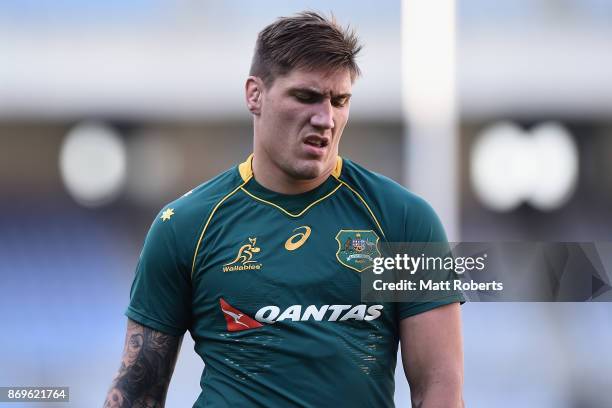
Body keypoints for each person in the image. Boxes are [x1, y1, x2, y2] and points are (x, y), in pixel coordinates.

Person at [104, 11, 464, 408]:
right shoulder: (185, 225)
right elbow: (138, 389)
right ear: (254, 95)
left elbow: (438, 388)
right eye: (306, 97)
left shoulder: (405, 220)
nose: (325, 118)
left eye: (339, 100)